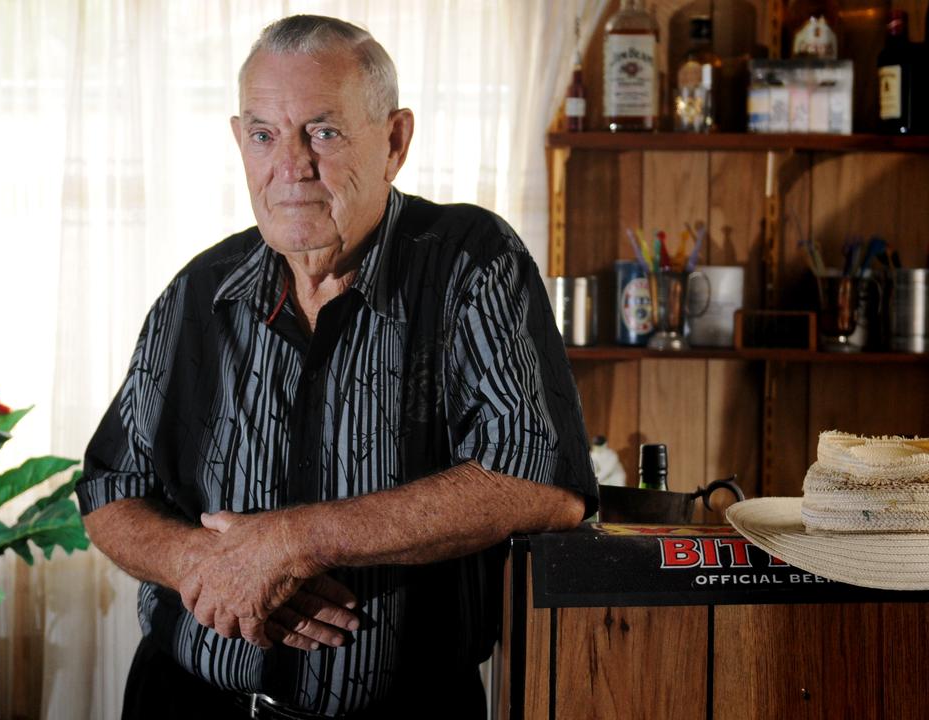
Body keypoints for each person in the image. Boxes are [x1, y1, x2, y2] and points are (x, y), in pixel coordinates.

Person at [77, 14, 597, 720]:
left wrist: (291, 545)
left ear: (395, 140)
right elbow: (112, 489)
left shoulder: (469, 263)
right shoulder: (200, 290)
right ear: (240, 142)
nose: (290, 166)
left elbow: (539, 483)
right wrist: (205, 565)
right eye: (264, 134)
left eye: (322, 132)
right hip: (184, 702)